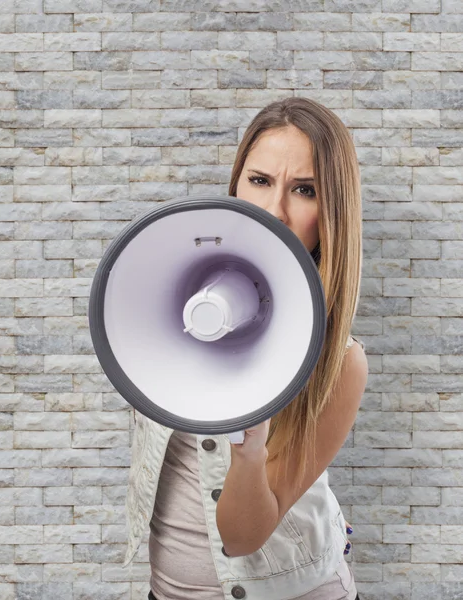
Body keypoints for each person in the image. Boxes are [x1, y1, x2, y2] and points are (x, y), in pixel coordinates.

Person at [121, 97, 369, 600]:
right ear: (235, 183)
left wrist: (249, 450)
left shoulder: (339, 362)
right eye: (259, 181)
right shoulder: (166, 294)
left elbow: (243, 537)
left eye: (304, 190)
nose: (274, 210)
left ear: (331, 212)